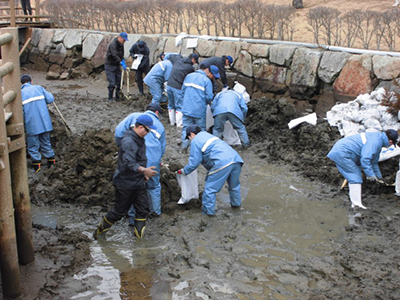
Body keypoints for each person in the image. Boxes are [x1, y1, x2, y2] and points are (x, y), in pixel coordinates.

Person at [94, 115, 158, 240]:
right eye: (147, 130)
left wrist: (143, 174)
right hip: (125, 183)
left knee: (143, 209)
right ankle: (99, 233)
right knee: (119, 211)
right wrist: (144, 170)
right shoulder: (128, 142)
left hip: (138, 181)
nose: (148, 133)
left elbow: (140, 159)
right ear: (140, 127)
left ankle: (138, 241)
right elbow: (129, 163)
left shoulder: (140, 139)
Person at [177, 125, 244, 216]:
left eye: (189, 137)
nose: (189, 140)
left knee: (209, 190)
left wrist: (184, 171)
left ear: (192, 134)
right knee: (234, 187)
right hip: (236, 160)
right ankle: (236, 208)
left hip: (221, 163)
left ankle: (208, 215)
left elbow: (194, 163)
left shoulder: (195, 141)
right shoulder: (208, 136)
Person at [114, 104, 166, 218]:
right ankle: (155, 212)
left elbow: (118, 132)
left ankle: (132, 215)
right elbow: (162, 147)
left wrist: (122, 147)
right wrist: (158, 160)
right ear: (157, 113)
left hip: (135, 158)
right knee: (154, 186)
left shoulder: (134, 116)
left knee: (134, 185)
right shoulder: (160, 126)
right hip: (153, 160)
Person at [327, 129, 398, 209]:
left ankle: (355, 202)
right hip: (343, 152)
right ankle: (356, 205)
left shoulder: (378, 139)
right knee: (355, 176)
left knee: (354, 174)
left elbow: (373, 162)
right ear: (391, 142)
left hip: (344, 152)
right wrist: (370, 175)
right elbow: (365, 159)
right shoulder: (376, 141)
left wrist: (379, 177)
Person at [20, 74, 56, 172]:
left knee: (33, 146)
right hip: (45, 122)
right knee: (46, 142)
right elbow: (50, 99)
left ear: (21, 84)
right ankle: (52, 163)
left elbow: (20, 112)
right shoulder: (39, 88)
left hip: (31, 124)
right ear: (31, 81)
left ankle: (37, 166)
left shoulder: (20, 93)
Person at [180, 63, 219, 150]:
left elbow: (182, 92)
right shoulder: (206, 81)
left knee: (186, 129)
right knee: (201, 131)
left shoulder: (189, 76)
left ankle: (184, 148)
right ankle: (200, 149)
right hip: (199, 110)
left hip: (186, 108)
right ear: (207, 71)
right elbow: (209, 97)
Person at [166, 53, 199, 126]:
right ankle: (179, 124)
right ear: (193, 59)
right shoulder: (190, 68)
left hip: (169, 85)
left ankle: (172, 122)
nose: (194, 63)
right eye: (195, 61)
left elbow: (170, 56)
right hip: (178, 87)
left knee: (171, 105)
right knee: (179, 106)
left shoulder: (178, 60)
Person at [105, 32, 128, 102]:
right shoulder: (113, 44)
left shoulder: (121, 45)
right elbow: (114, 55)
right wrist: (120, 62)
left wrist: (123, 60)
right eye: (123, 40)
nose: (124, 42)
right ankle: (110, 98)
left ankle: (118, 96)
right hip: (110, 65)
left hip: (117, 65)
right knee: (112, 83)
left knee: (120, 81)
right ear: (120, 38)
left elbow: (121, 54)